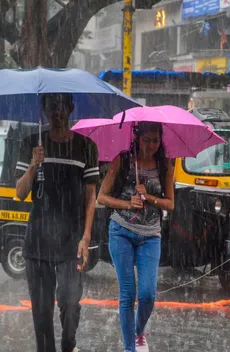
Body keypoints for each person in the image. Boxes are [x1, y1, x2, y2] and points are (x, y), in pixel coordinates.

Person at [15, 93, 99, 352]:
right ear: (44, 110)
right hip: (38, 241)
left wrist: (86, 237)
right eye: (52, 107)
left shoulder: (86, 146)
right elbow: (20, 192)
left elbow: (90, 196)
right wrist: (33, 164)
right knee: (41, 315)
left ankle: (68, 344)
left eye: (63, 107)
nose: (58, 112)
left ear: (71, 109)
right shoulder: (31, 143)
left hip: (71, 241)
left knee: (70, 302)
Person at [97, 122, 175, 352]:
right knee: (128, 295)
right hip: (121, 231)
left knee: (148, 294)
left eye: (155, 140)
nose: (151, 145)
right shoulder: (122, 160)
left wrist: (149, 197)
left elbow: (171, 204)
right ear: (137, 138)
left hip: (150, 236)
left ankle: (139, 331)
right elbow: (102, 197)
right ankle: (130, 348)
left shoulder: (165, 165)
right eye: (146, 139)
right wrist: (127, 203)